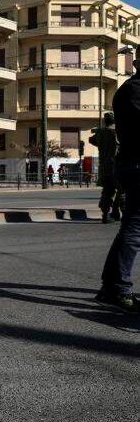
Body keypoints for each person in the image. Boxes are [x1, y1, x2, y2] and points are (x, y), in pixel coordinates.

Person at [97, 58, 140, 312]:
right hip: (135, 164)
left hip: (128, 164)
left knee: (131, 226)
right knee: (134, 228)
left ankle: (111, 287)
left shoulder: (130, 88)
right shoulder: (135, 90)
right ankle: (118, 288)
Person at [89, 112, 122, 223]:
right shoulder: (117, 132)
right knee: (123, 189)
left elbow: (91, 140)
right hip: (117, 165)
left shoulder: (100, 132)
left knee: (107, 191)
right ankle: (116, 211)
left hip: (104, 166)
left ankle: (105, 213)